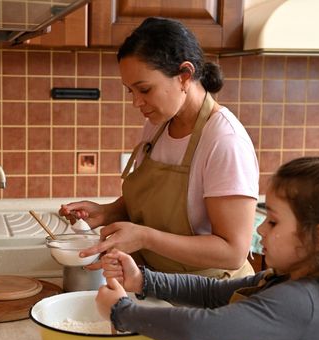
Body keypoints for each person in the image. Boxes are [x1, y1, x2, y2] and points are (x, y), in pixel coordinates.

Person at [96, 157, 319, 340]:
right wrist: (143, 281)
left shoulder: (301, 302)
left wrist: (122, 311)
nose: (260, 230)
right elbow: (215, 293)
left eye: (272, 221)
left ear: (318, 238)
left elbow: (201, 329)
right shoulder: (285, 278)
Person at [59, 16, 259, 278]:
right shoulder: (160, 123)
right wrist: (108, 212)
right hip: (159, 282)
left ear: (184, 76)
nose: (136, 103)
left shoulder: (224, 141)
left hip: (211, 296)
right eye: (131, 91)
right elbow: (154, 205)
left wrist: (144, 238)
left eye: (145, 89)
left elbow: (233, 252)